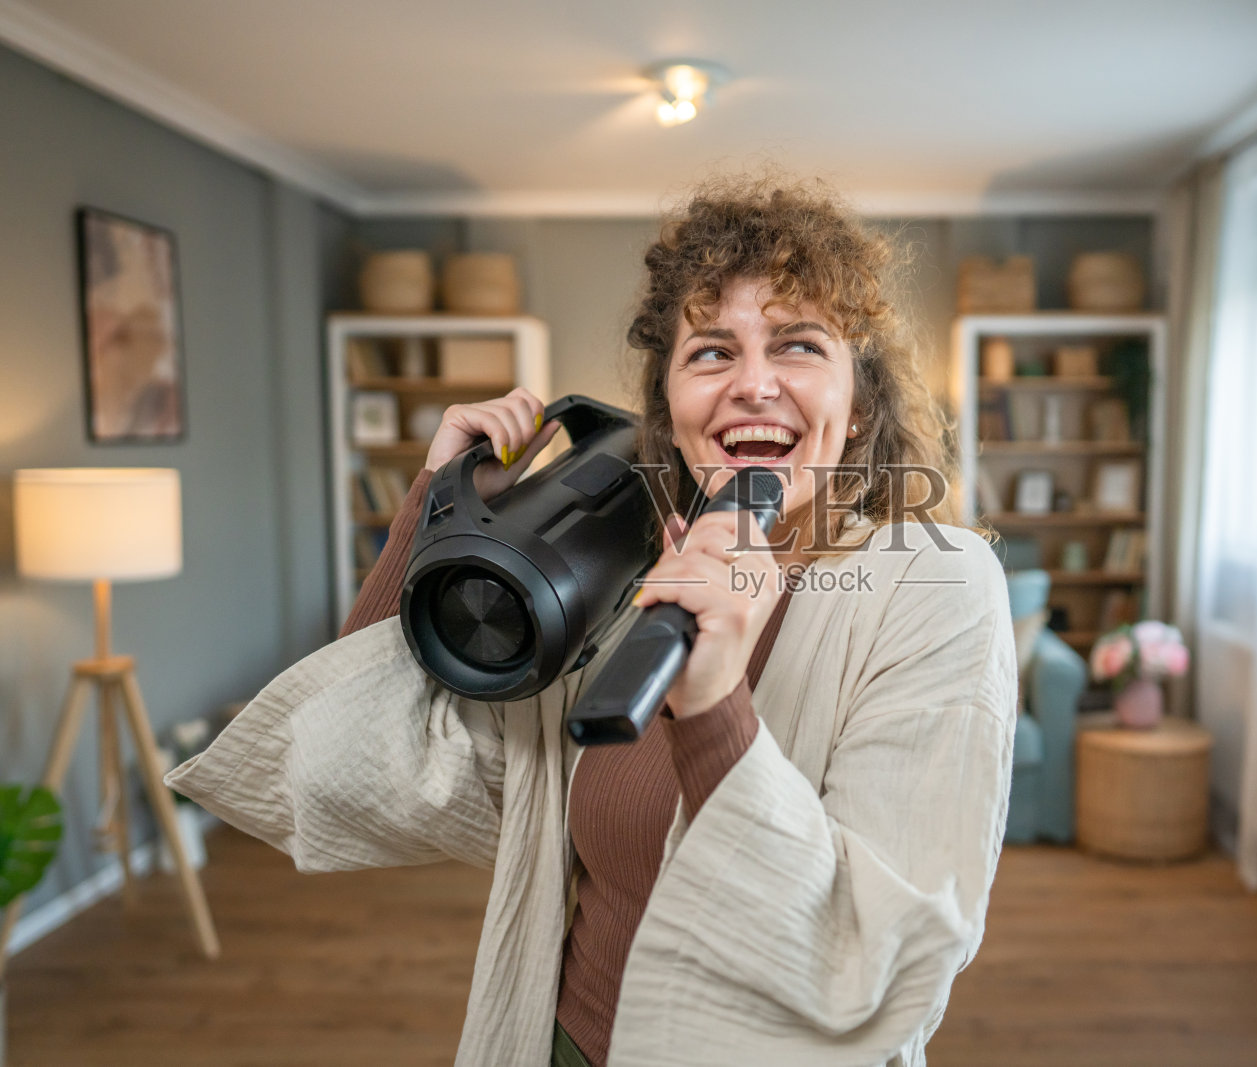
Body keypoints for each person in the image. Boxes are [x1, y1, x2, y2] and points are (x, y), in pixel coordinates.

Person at [169, 175, 1016, 1067]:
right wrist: (438, 508)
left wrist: (714, 704)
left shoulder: (936, 585)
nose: (753, 383)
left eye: (798, 345)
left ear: (859, 405)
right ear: (671, 414)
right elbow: (360, 763)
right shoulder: (624, 584)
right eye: (712, 352)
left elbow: (878, 958)